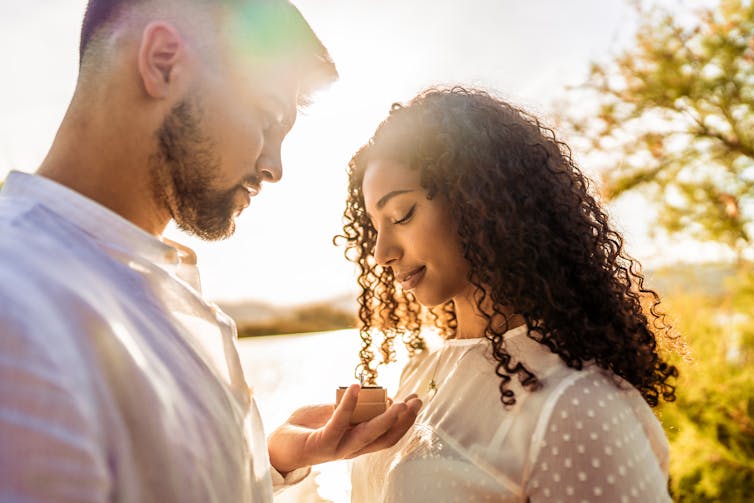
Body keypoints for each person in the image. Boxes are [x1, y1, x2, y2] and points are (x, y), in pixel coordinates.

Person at [0, 1, 421, 501]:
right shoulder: (19, 306)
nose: (274, 168)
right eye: (266, 119)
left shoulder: (163, 293)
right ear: (163, 63)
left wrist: (271, 461)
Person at [338, 87, 679, 502]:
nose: (381, 253)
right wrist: (286, 462)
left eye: (401, 215)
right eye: (375, 228)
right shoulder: (418, 376)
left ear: (478, 202)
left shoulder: (579, 406)